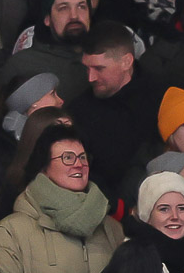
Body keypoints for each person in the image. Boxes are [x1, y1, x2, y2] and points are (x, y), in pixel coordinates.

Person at [0, 124, 125, 273]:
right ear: (43, 167)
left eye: (82, 157)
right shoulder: (10, 232)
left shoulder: (111, 229)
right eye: (67, 158)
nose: (78, 164)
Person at [68, 22, 169, 198]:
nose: (91, 77)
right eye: (87, 68)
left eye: (99, 68)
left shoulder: (164, 98)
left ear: (126, 62)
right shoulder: (78, 111)